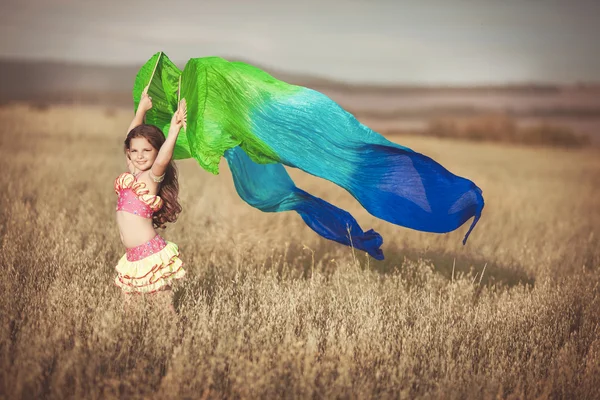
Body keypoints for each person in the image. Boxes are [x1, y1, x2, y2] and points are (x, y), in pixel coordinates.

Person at [114, 89, 187, 313]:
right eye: (134, 151)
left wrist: (174, 130)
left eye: (147, 150)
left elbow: (164, 158)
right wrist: (142, 109)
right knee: (129, 310)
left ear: (156, 152)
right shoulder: (133, 172)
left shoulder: (151, 178)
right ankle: (134, 342)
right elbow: (131, 135)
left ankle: (176, 340)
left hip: (150, 253)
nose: (140, 155)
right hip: (133, 256)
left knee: (164, 306)